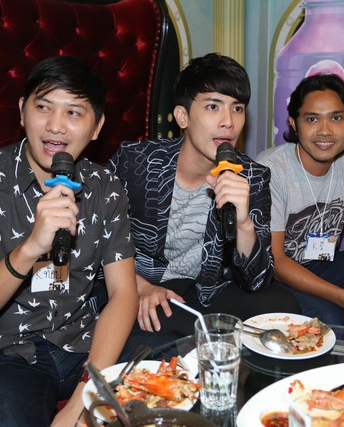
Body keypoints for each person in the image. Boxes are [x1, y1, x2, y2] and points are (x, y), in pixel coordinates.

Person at [0, 56, 138, 427]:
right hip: (4, 353)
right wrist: (30, 248)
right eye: (43, 107)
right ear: (22, 111)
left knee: (175, 381)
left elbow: (123, 293)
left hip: (86, 342)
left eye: (74, 112)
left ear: (97, 127)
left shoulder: (104, 186)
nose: (56, 126)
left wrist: (86, 396)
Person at [108, 53, 300, 346]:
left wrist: (244, 224)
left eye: (237, 108)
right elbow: (96, 241)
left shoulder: (253, 175)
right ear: (182, 116)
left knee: (282, 308)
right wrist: (139, 286)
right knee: (162, 333)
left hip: (207, 289)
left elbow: (257, 280)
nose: (228, 122)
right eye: (213, 106)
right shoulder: (135, 161)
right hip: (145, 286)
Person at [256, 73, 344, 326]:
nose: (325, 130)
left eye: (336, 118)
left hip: (321, 261)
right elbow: (275, 260)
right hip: (273, 274)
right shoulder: (270, 170)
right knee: (328, 319)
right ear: (294, 123)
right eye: (312, 119)